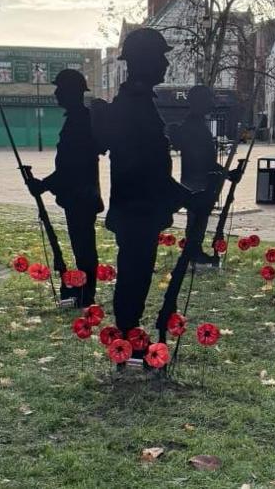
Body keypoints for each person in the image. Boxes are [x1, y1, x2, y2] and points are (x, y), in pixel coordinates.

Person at [92, 28, 198, 356]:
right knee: (134, 277)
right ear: (143, 62)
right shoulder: (134, 106)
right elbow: (146, 168)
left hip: (138, 209)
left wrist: (182, 195)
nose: (165, 63)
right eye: (160, 57)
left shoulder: (138, 102)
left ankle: (129, 336)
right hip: (136, 209)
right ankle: (128, 340)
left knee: (136, 274)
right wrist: (186, 196)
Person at [27, 69, 103, 307]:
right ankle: (83, 290)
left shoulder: (79, 122)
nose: (56, 93)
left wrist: (43, 185)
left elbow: (71, 167)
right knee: (82, 246)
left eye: (60, 89)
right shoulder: (76, 119)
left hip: (81, 196)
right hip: (79, 196)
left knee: (84, 248)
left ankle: (86, 293)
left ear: (72, 92)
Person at [167, 85, 242, 266]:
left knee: (197, 218)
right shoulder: (194, 126)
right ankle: (193, 253)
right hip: (197, 180)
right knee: (197, 218)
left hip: (200, 178)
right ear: (199, 102)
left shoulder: (197, 124)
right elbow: (203, 160)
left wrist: (225, 174)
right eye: (208, 99)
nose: (212, 103)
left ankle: (194, 251)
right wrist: (226, 174)